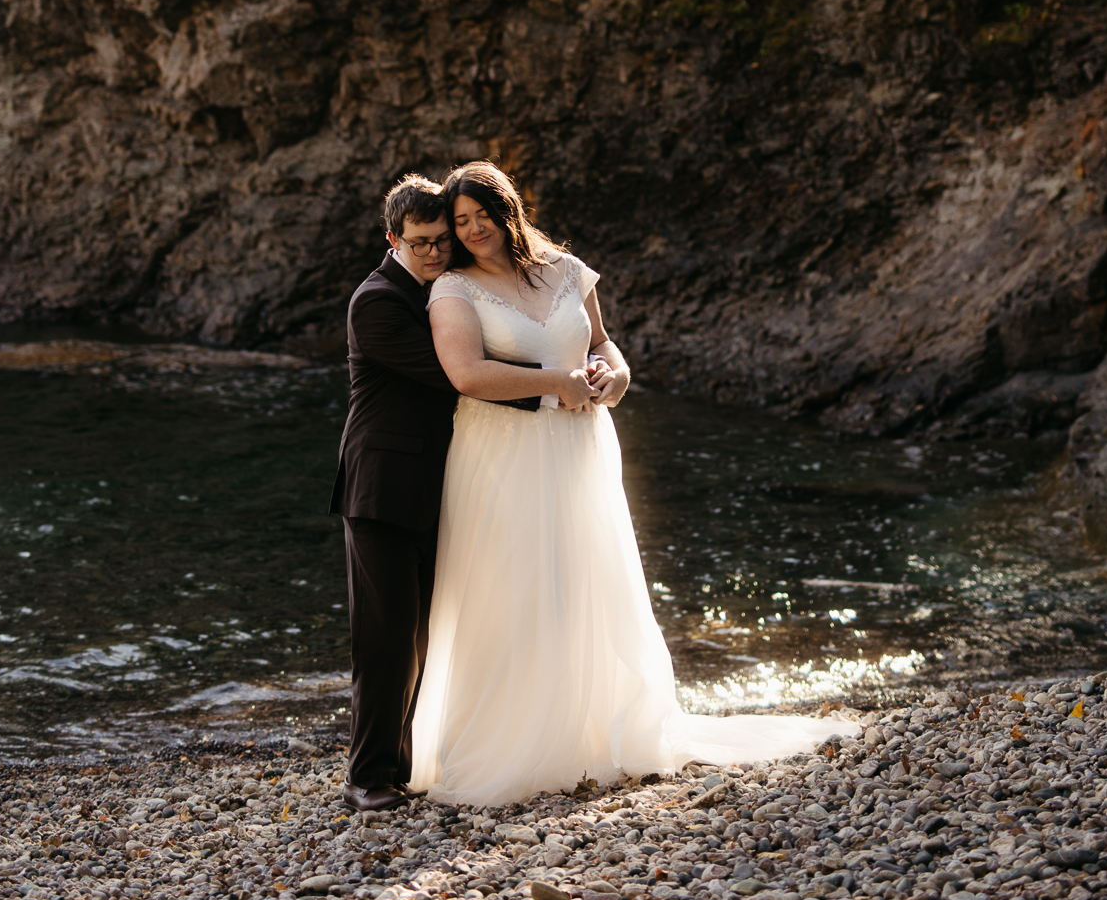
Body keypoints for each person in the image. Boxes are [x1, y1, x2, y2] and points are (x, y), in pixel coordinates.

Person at [409, 161, 858, 805]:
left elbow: (604, 345)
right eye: (461, 221)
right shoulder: (454, 287)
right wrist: (556, 383)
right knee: (512, 583)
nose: (474, 229)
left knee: (586, 575)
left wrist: (613, 379)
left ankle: (591, 732)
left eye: (483, 215)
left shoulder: (567, 270)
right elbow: (467, 374)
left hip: (580, 445)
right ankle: (507, 741)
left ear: (508, 211)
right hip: (500, 453)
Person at [329, 173, 594, 813]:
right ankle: (368, 778)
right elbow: (458, 375)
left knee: (430, 628)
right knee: (387, 636)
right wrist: (561, 379)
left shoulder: (441, 289)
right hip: (384, 490)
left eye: (440, 241)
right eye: (419, 242)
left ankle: (414, 760)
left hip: (445, 483)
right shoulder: (379, 302)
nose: (433, 252)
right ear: (391, 238)